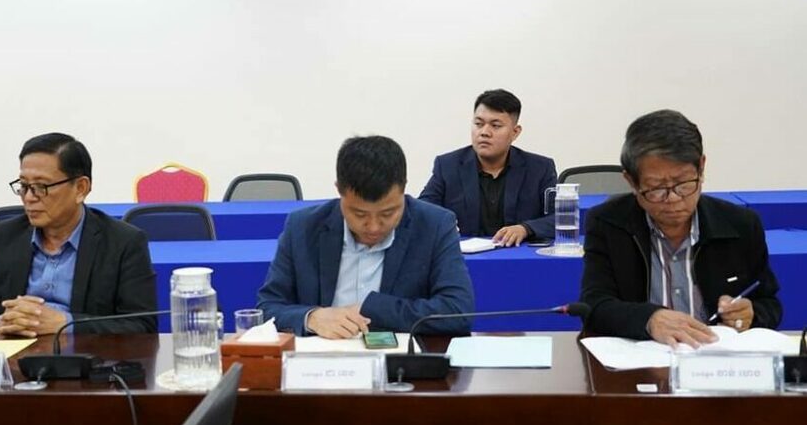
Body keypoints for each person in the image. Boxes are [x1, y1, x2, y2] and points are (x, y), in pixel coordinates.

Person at [580, 110, 781, 346]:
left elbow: (769, 303)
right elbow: (594, 306)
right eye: (656, 188)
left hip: (716, 357)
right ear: (631, 181)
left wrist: (750, 314)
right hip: (644, 359)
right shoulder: (608, 223)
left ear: (701, 168)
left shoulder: (741, 224)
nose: (673, 199)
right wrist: (649, 319)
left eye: (684, 184)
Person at [257, 135, 474, 338]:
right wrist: (311, 317)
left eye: (388, 213)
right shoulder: (303, 227)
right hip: (321, 356)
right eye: (359, 214)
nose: (373, 227)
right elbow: (267, 308)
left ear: (403, 189)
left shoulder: (434, 225)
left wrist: (371, 309)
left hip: (400, 360)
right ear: (339, 191)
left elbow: (458, 311)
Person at [0, 133, 157, 336]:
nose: (29, 198)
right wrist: (1, 324)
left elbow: (142, 326)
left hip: (84, 354)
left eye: (41, 187)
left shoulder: (123, 242)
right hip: (16, 353)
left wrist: (66, 324)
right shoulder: (4, 236)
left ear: (80, 188)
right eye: (24, 186)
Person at [419, 89, 556, 246]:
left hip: (519, 255)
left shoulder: (540, 169)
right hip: (466, 257)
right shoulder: (448, 165)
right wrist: (442, 223)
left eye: (495, 126)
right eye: (478, 124)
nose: (484, 132)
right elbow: (422, 210)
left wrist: (526, 228)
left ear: (515, 132)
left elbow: (563, 218)